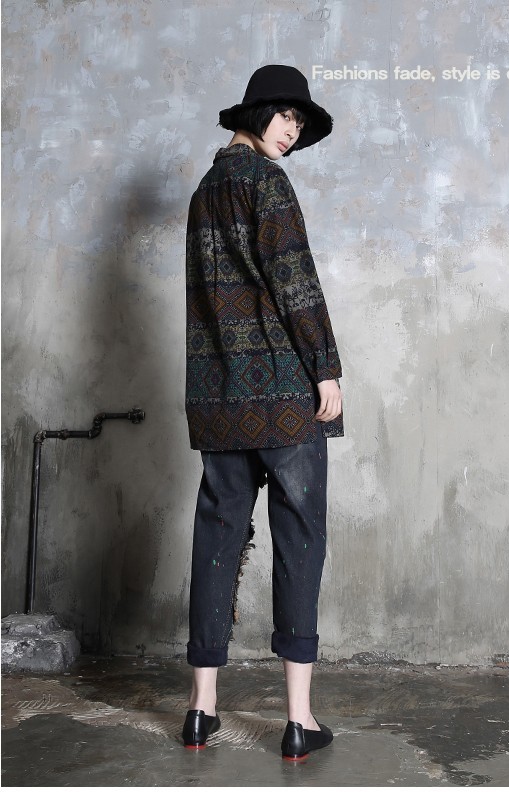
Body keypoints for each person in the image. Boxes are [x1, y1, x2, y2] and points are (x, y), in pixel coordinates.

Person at [182, 64, 343, 761]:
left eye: (299, 122)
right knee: (299, 540)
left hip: (220, 397)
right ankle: (298, 721)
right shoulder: (266, 183)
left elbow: (204, 303)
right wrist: (326, 365)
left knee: (216, 541)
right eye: (284, 114)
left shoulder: (204, 191)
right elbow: (294, 280)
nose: (291, 130)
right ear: (255, 113)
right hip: (281, 396)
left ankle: (201, 710)